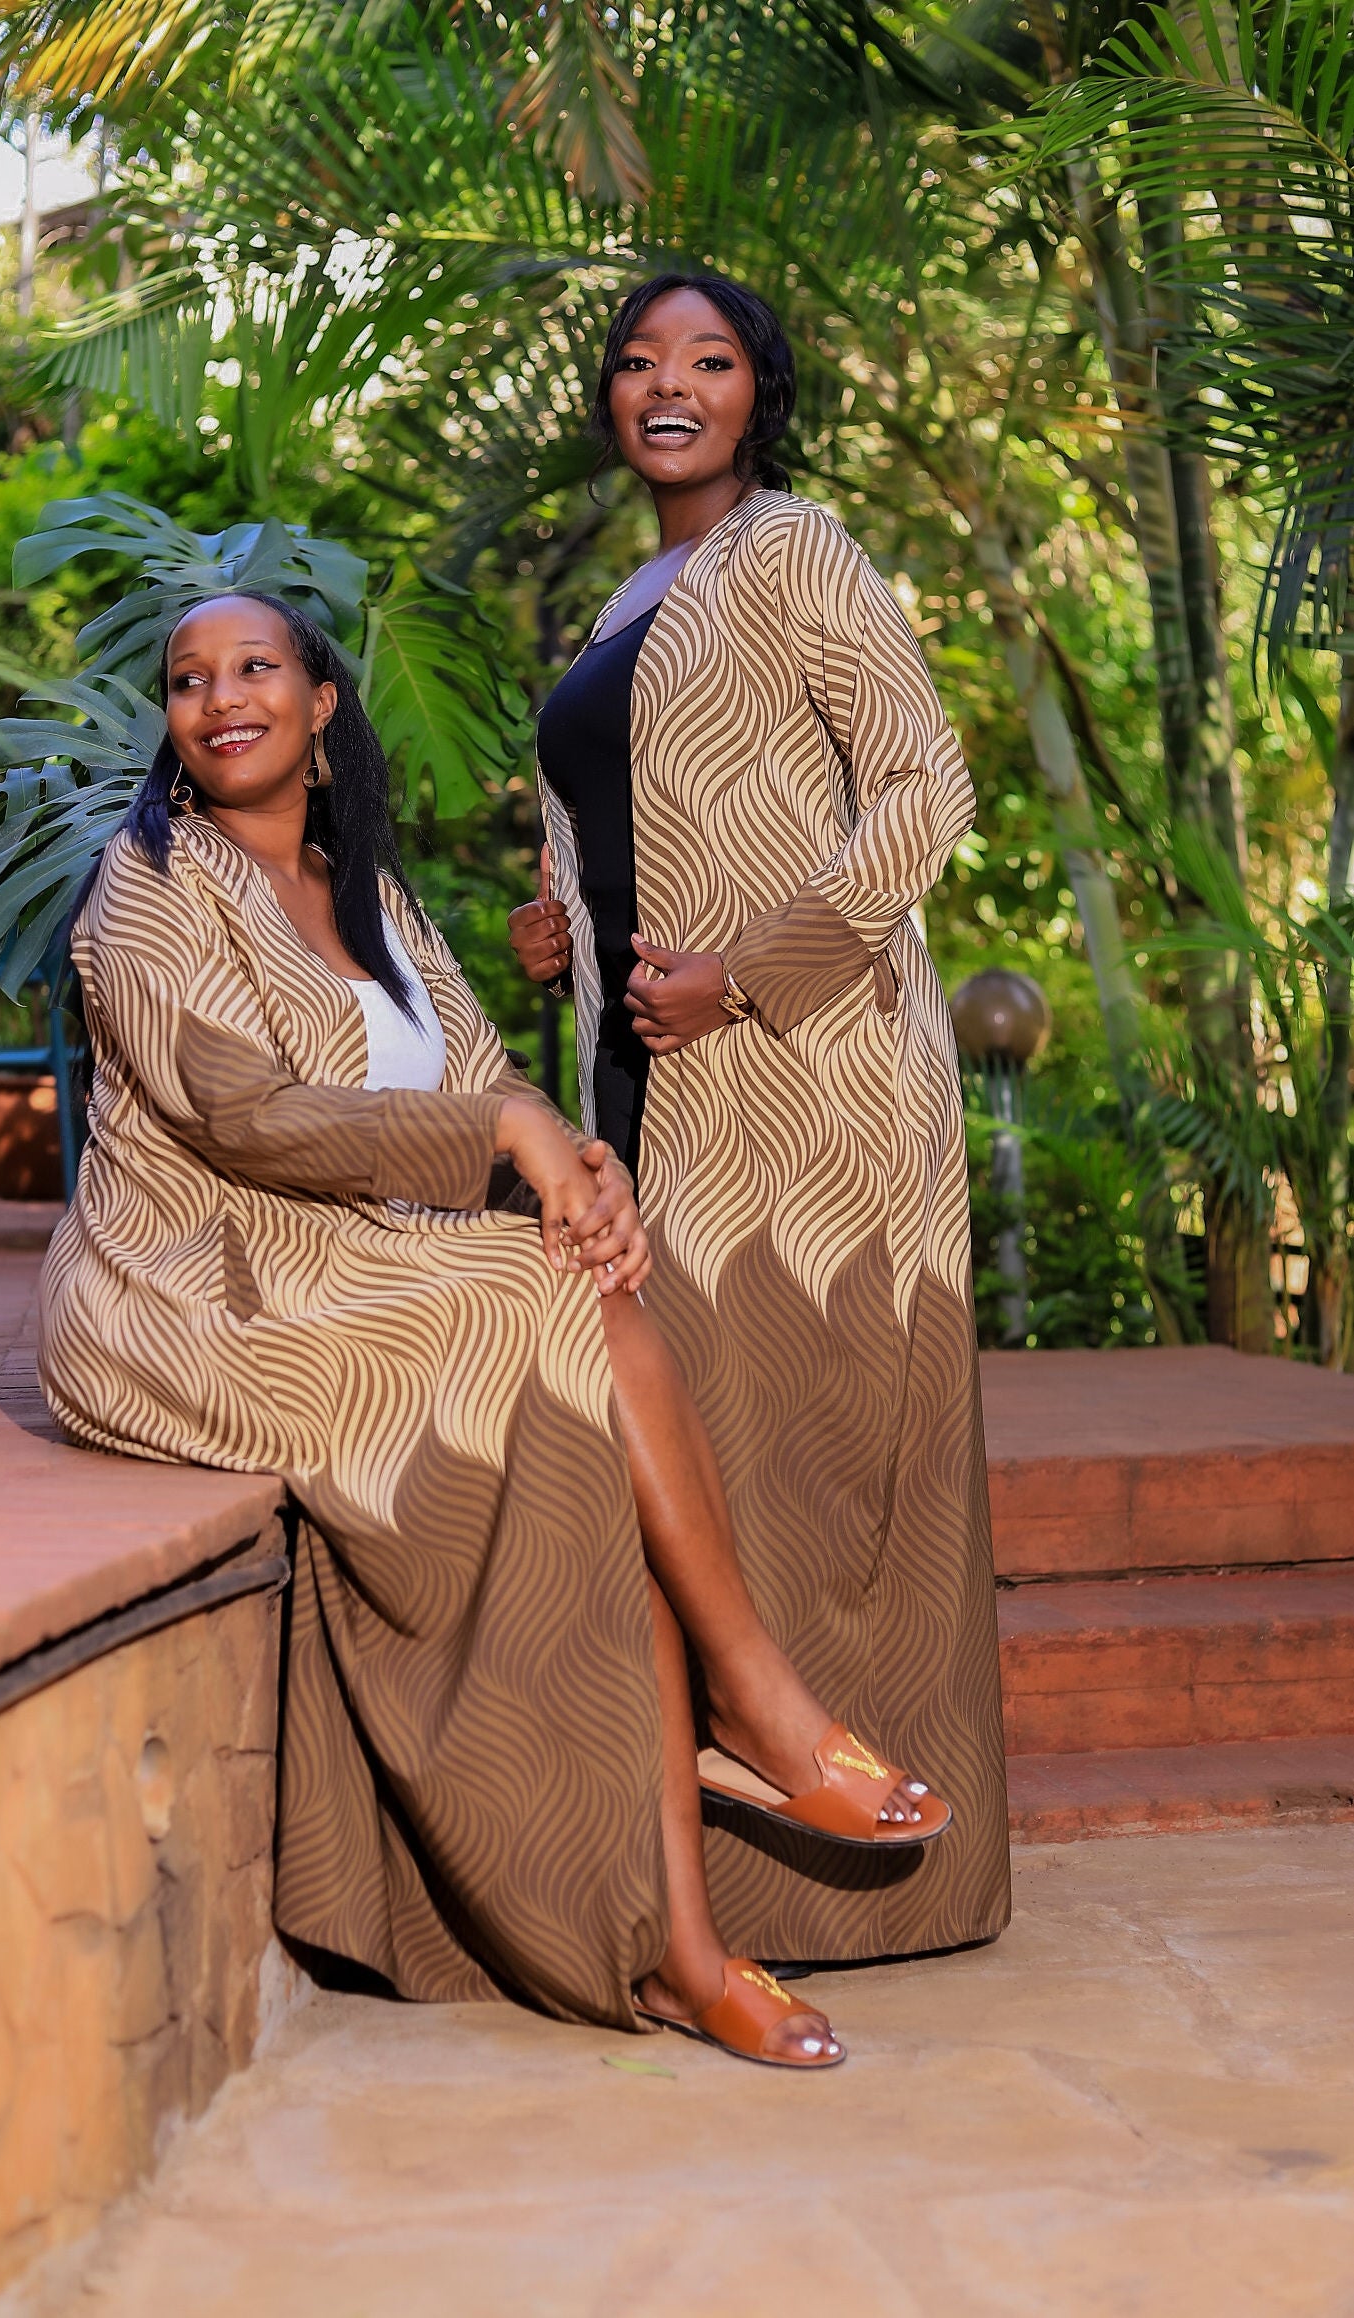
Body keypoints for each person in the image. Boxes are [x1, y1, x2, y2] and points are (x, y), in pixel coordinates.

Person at [38, 588, 952, 2071]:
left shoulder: (368, 896)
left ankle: (684, 1937)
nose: (221, 698)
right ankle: (750, 1712)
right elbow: (242, 1115)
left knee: (585, 1327)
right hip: (200, 1288)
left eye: (255, 667)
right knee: (557, 1304)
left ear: (322, 707)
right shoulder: (148, 886)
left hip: (367, 1257)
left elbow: (476, 1072)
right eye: (189, 679)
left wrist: (579, 1169)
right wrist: (510, 1136)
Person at [510, 274, 1010, 1965]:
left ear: (754, 395)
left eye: (707, 360)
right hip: (649, 1084)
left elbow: (925, 783)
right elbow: (631, 822)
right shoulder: (618, 602)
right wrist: (560, 926)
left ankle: (886, 1884)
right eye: (638, 360)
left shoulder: (794, 550)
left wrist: (752, 974)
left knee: (814, 1459)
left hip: (812, 1091)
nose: (668, 384)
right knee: (702, 1461)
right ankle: (714, 1887)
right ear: (608, 397)